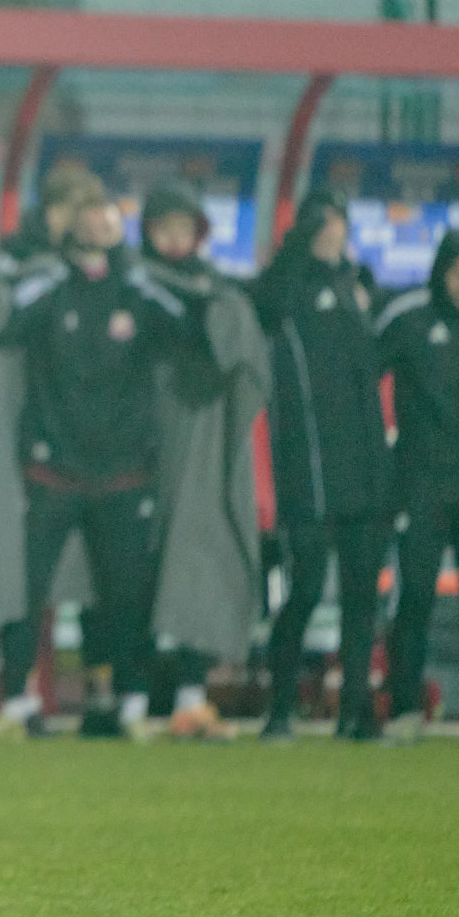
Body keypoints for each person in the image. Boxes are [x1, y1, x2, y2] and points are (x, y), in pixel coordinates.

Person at [0, 182, 202, 739]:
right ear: (71, 226)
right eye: (92, 218)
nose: (101, 228)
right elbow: (2, 321)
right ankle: (16, 701)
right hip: (53, 468)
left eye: (110, 219)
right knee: (29, 589)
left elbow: (190, 324)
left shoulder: (139, 287)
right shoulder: (51, 285)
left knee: (126, 593)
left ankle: (130, 700)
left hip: (124, 470)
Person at [0, 161, 97, 687]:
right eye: (69, 210)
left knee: (96, 577)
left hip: (89, 447)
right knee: (26, 576)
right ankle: (17, 692)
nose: (76, 223)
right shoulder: (14, 269)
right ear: (49, 212)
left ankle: (102, 696)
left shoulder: (102, 275)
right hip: (28, 447)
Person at [254, 192, 393, 742]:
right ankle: (279, 708)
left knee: (362, 596)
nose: (332, 232)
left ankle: (355, 711)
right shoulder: (287, 287)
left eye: (338, 223)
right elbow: (266, 304)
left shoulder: (359, 288)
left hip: (363, 466)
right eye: (322, 223)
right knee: (306, 588)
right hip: (307, 468)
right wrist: (298, 248)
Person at [137, 182, 270, 742]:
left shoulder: (219, 292)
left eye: (184, 228)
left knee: (195, 564)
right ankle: (132, 700)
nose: (174, 239)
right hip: (136, 449)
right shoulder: (130, 286)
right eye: (164, 227)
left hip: (202, 449)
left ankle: (190, 699)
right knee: (137, 572)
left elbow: (243, 363)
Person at [374, 229, 459, 743]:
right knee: (413, 598)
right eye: (458, 273)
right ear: (441, 271)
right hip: (420, 484)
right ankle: (404, 711)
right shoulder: (408, 318)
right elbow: (359, 377)